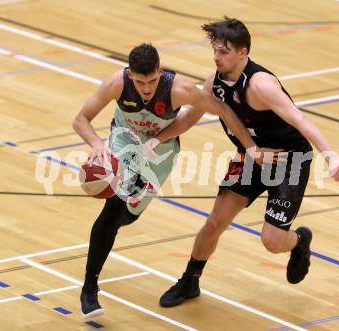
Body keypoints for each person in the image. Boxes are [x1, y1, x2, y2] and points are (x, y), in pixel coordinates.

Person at [147, 17, 339, 308]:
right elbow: (188, 119)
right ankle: (189, 280)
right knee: (215, 221)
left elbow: (299, 119)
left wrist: (331, 155)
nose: (216, 57)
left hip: (287, 160)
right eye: (214, 50)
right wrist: (155, 139)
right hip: (250, 157)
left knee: (272, 242)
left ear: (243, 52)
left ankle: (299, 241)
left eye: (224, 52)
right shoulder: (214, 83)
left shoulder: (261, 85)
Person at [72, 43, 276, 318]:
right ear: (130, 74)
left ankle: (112, 228)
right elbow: (81, 119)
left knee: (127, 217)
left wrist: (251, 148)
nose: (146, 88)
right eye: (140, 81)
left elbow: (225, 111)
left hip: (161, 150)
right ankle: (89, 287)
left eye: (152, 80)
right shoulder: (115, 84)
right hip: (124, 140)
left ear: (161, 71)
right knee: (113, 209)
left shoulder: (181, 90)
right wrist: (97, 143)